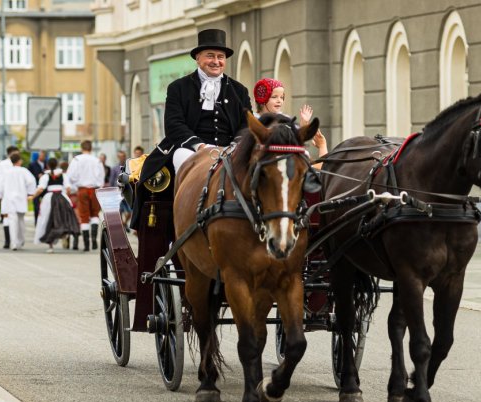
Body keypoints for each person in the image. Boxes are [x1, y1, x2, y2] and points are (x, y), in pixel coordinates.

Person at [131, 28, 252, 229]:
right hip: (189, 147)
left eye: (220, 57)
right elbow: (174, 123)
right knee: (185, 164)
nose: (216, 61)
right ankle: (183, 220)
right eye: (210, 56)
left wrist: (234, 146)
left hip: (229, 148)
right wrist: (199, 146)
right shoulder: (178, 88)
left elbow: (245, 125)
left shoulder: (239, 90)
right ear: (198, 58)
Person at [253, 78, 329, 161]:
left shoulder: (286, 121)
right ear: (262, 99)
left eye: (282, 97)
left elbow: (297, 139)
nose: (279, 101)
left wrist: (304, 123)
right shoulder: (254, 122)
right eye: (274, 97)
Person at [31, 157, 80, 253]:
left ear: (48, 165)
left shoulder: (45, 176)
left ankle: (50, 245)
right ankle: (64, 233)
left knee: (49, 219)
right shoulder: (63, 175)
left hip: (49, 198)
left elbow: (41, 189)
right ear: (57, 164)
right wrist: (66, 195)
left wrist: (33, 196)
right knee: (64, 217)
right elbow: (68, 188)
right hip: (62, 197)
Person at [66, 140, 105, 251]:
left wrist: (73, 187)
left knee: (83, 216)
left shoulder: (76, 160)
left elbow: (70, 176)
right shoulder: (97, 160)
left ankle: (86, 244)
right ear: (91, 148)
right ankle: (93, 239)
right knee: (94, 214)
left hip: (82, 190)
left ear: (81, 148)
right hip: (94, 189)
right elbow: (101, 178)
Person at [0, 152, 37, 251]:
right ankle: (20, 240)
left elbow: (0, 186)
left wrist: (0, 195)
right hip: (20, 198)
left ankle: (14, 242)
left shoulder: (6, 172)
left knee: (12, 220)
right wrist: (30, 193)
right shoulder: (24, 171)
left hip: (9, 199)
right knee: (21, 220)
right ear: (19, 161)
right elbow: (31, 181)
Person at [0, 145, 21, 247]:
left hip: (5, 194)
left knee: (7, 217)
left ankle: (8, 241)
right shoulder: (18, 165)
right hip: (17, 195)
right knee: (17, 217)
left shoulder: (2, 165)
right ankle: (16, 240)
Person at [28, 151, 46, 224]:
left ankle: (45, 221)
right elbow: (29, 175)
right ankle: (36, 221)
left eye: (43, 156)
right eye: (41, 156)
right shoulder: (32, 164)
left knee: (46, 205)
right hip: (35, 187)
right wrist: (37, 176)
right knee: (36, 206)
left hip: (44, 187)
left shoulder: (46, 164)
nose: (42, 157)